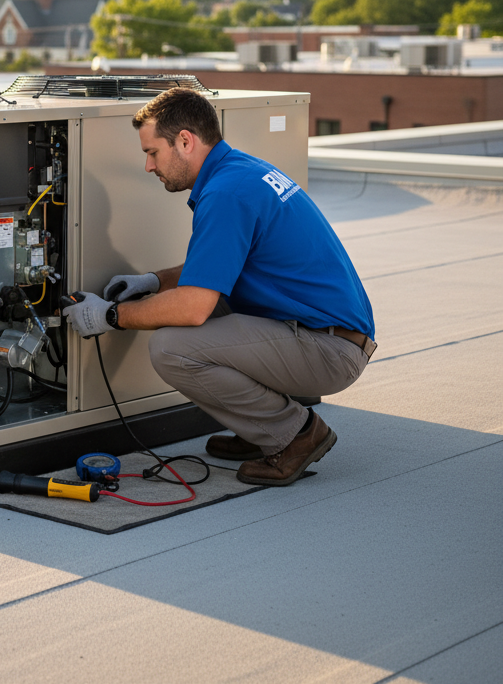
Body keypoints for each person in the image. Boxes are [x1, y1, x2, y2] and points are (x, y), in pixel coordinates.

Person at [65, 87, 375, 486]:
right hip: (325, 333)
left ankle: (295, 435)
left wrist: (109, 316)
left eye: (152, 152)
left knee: (171, 346)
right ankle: (262, 432)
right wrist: (153, 281)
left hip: (330, 349)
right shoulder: (239, 172)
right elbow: (214, 267)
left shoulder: (226, 194)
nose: (147, 166)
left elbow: (193, 307)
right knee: (195, 311)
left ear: (185, 141)